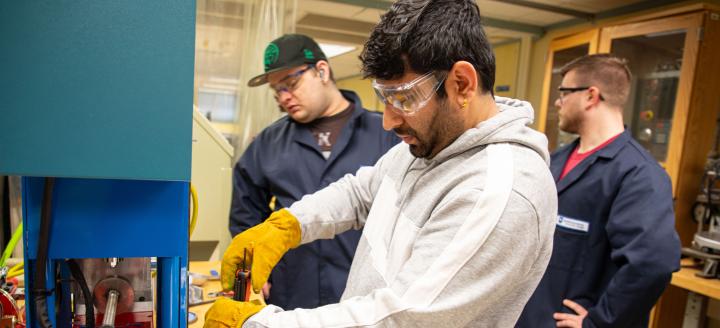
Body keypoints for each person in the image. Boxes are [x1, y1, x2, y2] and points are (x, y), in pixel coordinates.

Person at [206, 0, 557, 326]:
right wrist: (287, 225)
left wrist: (258, 323)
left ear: (461, 84)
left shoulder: (497, 190)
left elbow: (401, 317)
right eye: (384, 98)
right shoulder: (433, 146)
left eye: (403, 98)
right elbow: (361, 192)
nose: (388, 121)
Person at [228, 33, 399, 311]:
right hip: (293, 292)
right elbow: (245, 215)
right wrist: (255, 271)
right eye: (276, 92)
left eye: (291, 84)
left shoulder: (385, 133)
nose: (284, 98)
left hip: (366, 296)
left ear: (322, 71)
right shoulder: (266, 144)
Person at [517, 54, 681, 328]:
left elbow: (653, 263)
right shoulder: (554, 161)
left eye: (564, 93)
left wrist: (601, 322)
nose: (558, 102)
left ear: (591, 96)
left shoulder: (639, 175)